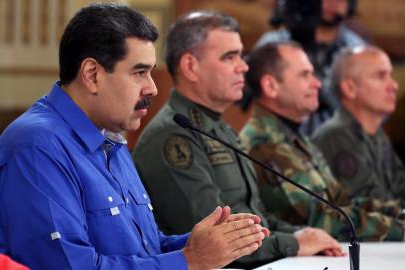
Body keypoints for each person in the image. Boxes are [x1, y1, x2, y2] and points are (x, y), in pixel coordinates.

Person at [0, 4, 269, 270]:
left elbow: (144, 249)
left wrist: (200, 245)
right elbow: (68, 266)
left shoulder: (110, 137)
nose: (151, 87)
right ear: (93, 75)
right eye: (139, 72)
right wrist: (190, 260)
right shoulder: (36, 147)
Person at [133, 11, 344, 269]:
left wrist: (305, 234)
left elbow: (258, 217)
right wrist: (294, 243)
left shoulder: (219, 129)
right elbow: (220, 240)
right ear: (191, 67)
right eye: (230, 57)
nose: (244, 66)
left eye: (240, 55)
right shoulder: (174, 137)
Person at [239, 41, 405, 242]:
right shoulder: (264, 143)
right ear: (271, 86)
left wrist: (399, 215)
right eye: (304, 75)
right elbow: (317, 219)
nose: (317, 83)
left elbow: (343, 201)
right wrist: (399, 229)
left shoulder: (295, 137)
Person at [312, 46, 405, 207]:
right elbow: (364, 206)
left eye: (390, 75)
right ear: (350, 88)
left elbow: (400, 188)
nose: (393, 86)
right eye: (381, 76)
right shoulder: (336, 135)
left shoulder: (377, 134)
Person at [255, 0, 366, 134]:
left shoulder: (358, 49)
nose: (332, 3)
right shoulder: (273, 44)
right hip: (281, 138)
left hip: (340, 140)